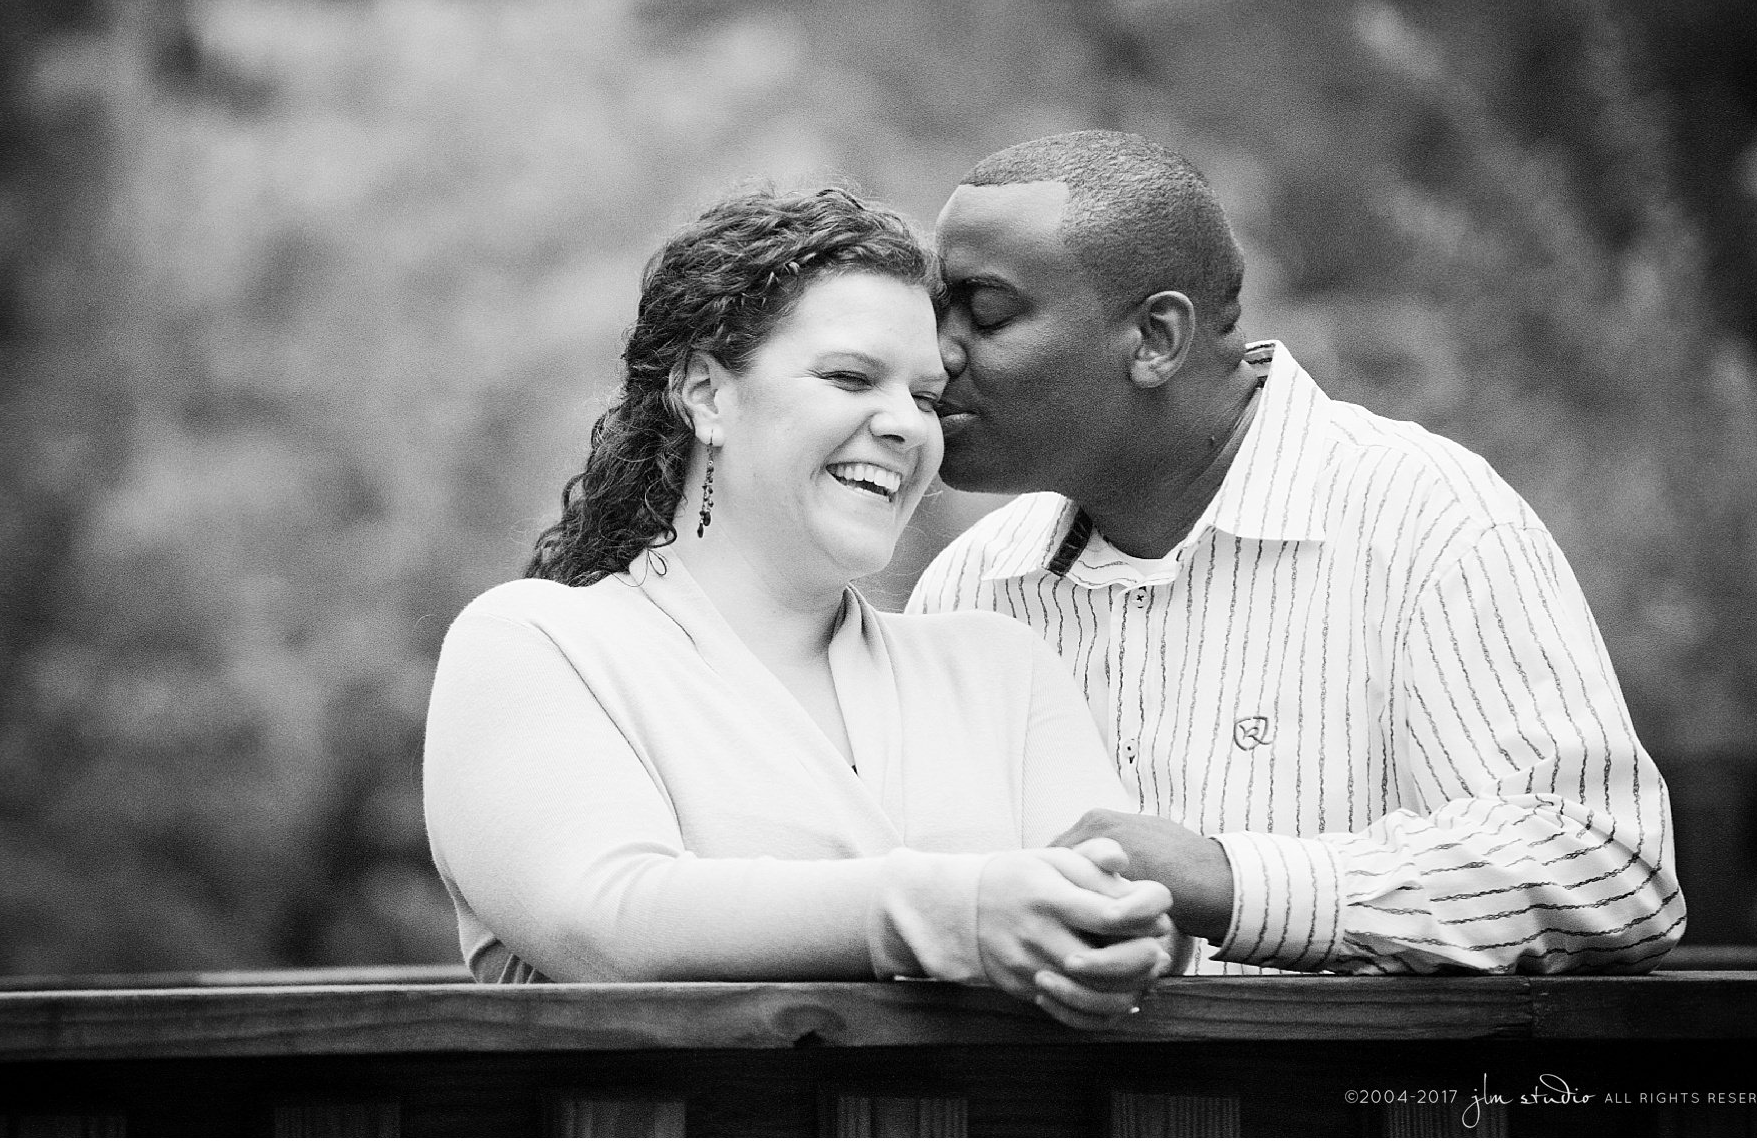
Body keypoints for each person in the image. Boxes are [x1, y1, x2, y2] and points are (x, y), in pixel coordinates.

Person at [909, 130, 1686, 976]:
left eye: (984, 314)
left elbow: (1607, 868)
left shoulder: (1428, 521)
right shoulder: (969, 584)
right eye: (935, 312)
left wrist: (1232, 882)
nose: (935, 353)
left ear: (1156, 338)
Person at [423, 185, 1189, 1027]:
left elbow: (1131, 910)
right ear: (707, 394)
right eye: (851, 377)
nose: (906, 425)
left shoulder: (1001, 666)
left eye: (927, 397)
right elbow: (608, 918)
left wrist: (1124, 935)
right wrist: (955, 911)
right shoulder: (536, 645)